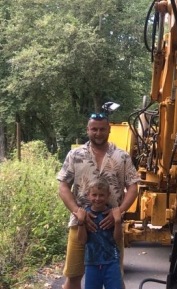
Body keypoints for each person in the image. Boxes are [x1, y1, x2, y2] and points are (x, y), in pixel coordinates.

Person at [57, 112, 140, 289]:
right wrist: (77, 212)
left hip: (111, 228)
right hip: (80, 225)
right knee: (73, 277)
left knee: (115, 278)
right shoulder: (75, 155)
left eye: (102, 129)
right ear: (87, 130)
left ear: (109, 130)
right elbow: (63, 186)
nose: (98, 133)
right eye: (94, 129)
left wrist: (120, 211)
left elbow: (133, 187)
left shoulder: (122, 156)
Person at [75, 177, 123, 289]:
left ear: (108, 195)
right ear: (88, 195)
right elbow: (82, 240)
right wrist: (81, 222)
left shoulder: (113, 213)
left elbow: (118, 239)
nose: (98, 198)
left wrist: (117, 222)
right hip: (92, 262)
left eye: (101, 195)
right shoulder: (85, 214)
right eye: (94, 195)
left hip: (111, 261)